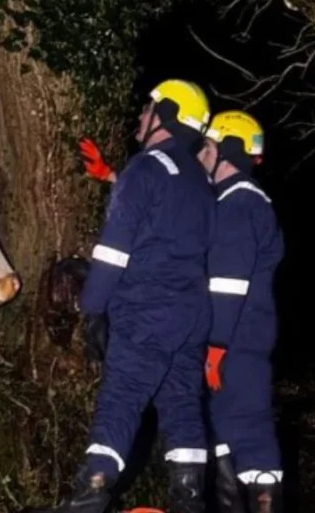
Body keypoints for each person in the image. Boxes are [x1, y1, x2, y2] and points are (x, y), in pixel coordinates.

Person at [28, 80, 215, 513]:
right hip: (191, 316)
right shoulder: (199, 180)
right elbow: (165, 217)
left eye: (149, 108)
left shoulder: (146, 168)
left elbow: (113, 252)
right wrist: (113, 177)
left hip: (147, 311)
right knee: (182, 405)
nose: (141, 115)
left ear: (166, 114)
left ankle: (89, 496)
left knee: (122, 397)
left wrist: (93, 308)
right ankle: (189, 501)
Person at [198, 110, 284, 513]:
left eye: (207, 146)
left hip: (238, 341)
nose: (200, 154)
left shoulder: (241, 203)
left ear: (227, 150)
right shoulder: (230, 200)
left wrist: (216, 347)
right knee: (224, 433)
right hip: (232, 339)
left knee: (251, 433)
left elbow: (228, 283)